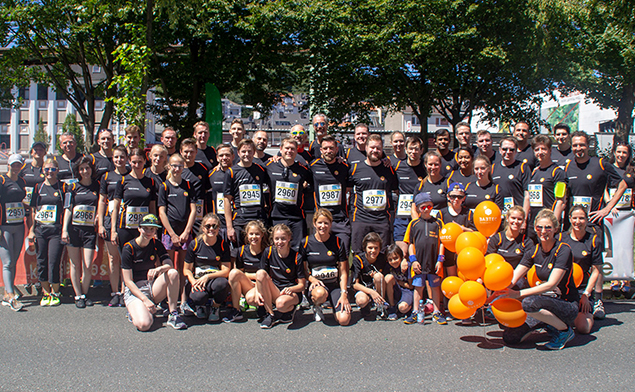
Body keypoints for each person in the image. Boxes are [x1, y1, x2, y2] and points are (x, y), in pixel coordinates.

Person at [494, 209, 578, 350]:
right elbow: (514, 277)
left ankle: (564, 331)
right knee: (510, 337)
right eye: (539, 227)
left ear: (555, 229)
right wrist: (496, 293)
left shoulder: (564, 250)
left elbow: (551, 284)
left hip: (566, 305)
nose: (543, 231)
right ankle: (549, 324)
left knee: (529, 303)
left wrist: (518, 294)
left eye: (548, 227)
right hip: (543, 304)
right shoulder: (533, 250)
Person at [121, 214, 187, 331]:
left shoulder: (156, 244)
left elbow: (169, 265)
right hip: (135, 291)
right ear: (139, 228)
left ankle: (173, 314)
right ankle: (136, 311)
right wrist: (145, 300)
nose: (148, 232)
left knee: (173, 273)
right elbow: (128, 281)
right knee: (144, 325)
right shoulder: (129, 248)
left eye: (152, 229)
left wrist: (158, 269)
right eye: (145, 228)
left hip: (151, 287)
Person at [158, 153, 197, 309]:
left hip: (184, 233)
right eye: (174, 165)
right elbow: (161, 212)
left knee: (183, 269)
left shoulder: (188, 185)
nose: (177, 169)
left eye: (180, 166)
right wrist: (172, 234)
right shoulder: (164, 186)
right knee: (167, 268)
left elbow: (193, 210)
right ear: (169, 167)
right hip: (169, 234)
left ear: (184, 167)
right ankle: (166, 299)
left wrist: (186, 232)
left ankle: (183, 300)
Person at [348, 134, 399, 253]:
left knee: (382, 255)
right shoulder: (355, 168)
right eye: (372, 147)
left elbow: (397, 190)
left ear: (382, 150)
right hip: (361, 219)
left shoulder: (389, 169)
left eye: (378, 148)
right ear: (366, 148)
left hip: (382, 221)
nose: (375, 151)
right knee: (358, 254)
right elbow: (347, 191)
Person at [300, 209, 351, 325]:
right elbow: (302, 270)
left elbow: (343, 272)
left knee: (344, 320)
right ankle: (317, 306)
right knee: (319, 294)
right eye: (320, 223)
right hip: (317, 287)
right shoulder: (306, 242)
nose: (323, 226)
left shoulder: (338, 242)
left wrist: (344, 293)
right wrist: (312, 279)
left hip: (334, 286)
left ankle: (334, 305)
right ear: (314, 223)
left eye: (326, 223)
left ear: (331, 224)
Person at [61, 156, 100, 308]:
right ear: (78, 171)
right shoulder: (72, 187)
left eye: (87, 168)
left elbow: (101, 205)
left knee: (88, 264)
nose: (85, 171)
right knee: (75, 264)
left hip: (89, 231)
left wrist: (98, 216)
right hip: (74, 230)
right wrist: (64, 230)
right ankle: (78, 296)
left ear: (92, 169)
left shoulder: (97, 186)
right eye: (82, 169)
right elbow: (68, 209)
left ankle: (85, 293)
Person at [403, 192, 446, 325]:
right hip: (418, 262)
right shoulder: (414, 224)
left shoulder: (438, 223)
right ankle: (415, 312)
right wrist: (413, 260)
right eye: (423, 207)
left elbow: (443, 242)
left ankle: (437, 312)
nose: (426, 209)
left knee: (435, 286)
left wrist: (440, 260)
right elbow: (410, 243)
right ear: (418, 209)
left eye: (429, 206)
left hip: (434, 261)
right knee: (418, 287)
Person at [559, 205, 602, 334]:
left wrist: (586, 294)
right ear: (569, 218)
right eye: (575, 218)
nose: (578, 222)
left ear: (587, 220)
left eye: (582, 218)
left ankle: (580, 313)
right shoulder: (561, 238)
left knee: (584, 328)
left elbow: (596, 270)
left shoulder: (594, 240)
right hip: (563, 288)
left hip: (581, 290)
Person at [28, 158, 65, 306]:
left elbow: (67, 209)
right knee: (41, 261)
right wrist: (32, 229)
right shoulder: (38, 187)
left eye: (53, 169)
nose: (50, 172)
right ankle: (45, 293)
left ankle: (55, 291)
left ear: (57, 170)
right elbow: (33, 210)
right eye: (47, 169)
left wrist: (64, 230)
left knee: (54, 261)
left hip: (56, 230)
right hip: (40, 230)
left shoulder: (62, 187)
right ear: (43, 170)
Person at [256, 224, 306, 328]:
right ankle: (270, 314)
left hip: (292, 292)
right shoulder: (268, 252)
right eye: (277, 239)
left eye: (283, 239)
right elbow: (261, 277)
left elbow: (302, 285)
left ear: (289, 238)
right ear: (272, 239)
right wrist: (257, 291)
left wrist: (291, 288)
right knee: (260, 274)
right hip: (275, 289)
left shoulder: (297, 257)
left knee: (280, 304)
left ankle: (290, 309)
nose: (280, 242)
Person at [265, 138, 312, 250]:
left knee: (298, 250)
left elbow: (314, 183)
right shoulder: (269, 166)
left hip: (296, 218)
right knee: (277, 249)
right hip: (276, 216)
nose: (289, 151)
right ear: (280, 149)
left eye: (292, 149)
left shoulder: (303, 169)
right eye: (287, 148)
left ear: (296, 151)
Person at [182, 213, 230, 322]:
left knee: (222, 284)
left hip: (214, 279)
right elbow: (186, 269)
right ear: (203, 228)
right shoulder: (195, 244)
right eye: (208, 226)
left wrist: (208, 277)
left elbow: (226, 270)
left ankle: (215, 307)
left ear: (218, 228)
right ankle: (200, 306)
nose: (211, 229)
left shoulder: (223, 245)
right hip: (198, 280)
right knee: (198, 296)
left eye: (215, 226)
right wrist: (193, 281)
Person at [97, 145, 129, 307]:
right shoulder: (107, 176)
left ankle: (125, 291)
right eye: (116, 157)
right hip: (110, 222)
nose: (119, 160)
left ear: (127, 158)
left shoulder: (131, 175)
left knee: (126, 258)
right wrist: (101, 223)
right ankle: (115, 291)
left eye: (122, 157)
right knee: (112, 258)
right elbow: (102, 201)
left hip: (127, 223)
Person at [309, 135, 352, 254]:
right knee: (322, 256)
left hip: (340, 220)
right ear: (321, 150)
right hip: (321, 220)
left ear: (337, 149)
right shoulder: (313, 166)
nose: (328, 151)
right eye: (325, 148)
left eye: (331, 148)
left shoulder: (345, 167)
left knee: (343, 256)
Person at [111, 148, 157, 251]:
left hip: (144, 228)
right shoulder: (123, 181)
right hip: (125, 228)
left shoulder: (151, 182)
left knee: (142, 259)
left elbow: (152, 207)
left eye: (140, 162)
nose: (137, 165)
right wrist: (113, 230)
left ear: (145, 161)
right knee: (126, 259)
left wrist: (154, 229)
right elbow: (116, 207)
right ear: (129, 162)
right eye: (134, 162)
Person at [223, 220, 269, 323]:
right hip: (249, 284)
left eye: (257, 234)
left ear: (262, 235)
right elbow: (240, 273)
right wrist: (254, 276)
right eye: (251, 234)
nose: (254, 237)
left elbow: (270, 275)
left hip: (264, 285)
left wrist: (258, 280)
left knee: (252, 298)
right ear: (247, 235)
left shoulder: (267, 251)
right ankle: (236, 310)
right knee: (233, 273)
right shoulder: (241, 251)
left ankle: (264, 309)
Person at [0, 154, 28, 311]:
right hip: (4, 226)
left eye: (18, 165)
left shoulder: (22, 181)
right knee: (7, 262)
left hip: (19, 226)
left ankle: (6, 292)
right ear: (8, 165)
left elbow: (23, 201)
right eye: (13, 165)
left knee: (14, 260)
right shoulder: (2, 181)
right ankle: (11, 295)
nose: (16, 167)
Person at [607, 139, 634, 296]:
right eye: (619, 152)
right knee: (613, 247)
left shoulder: (632, 170)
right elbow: (603, 188)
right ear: (614, 153)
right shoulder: (608, 168)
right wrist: (610, 205)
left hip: (628, 214)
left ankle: (626, 280)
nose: (621, 155)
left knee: (626, 246)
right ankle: (614, 280)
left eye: (624, 152)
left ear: (628, 155)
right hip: (612, 212)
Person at [527, 135, 566, 241]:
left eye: (543, 149)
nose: (540, 152)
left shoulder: (557, 173)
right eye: (537, 149)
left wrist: (553, 225)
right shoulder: (534, 172)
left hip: (547, 226)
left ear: (550, 150)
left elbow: (560, 201)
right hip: (534, 224)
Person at [393, 136, 426, 255]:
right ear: (406, 150)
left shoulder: (426, 168)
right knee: (402, 251)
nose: (413, 152)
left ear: (421, 151)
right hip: (402, 215)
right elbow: (395, 188)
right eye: (411, 149)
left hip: (420, 214)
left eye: (416, 149)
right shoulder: (397, 166)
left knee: (418, 250)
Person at [437, 182, 474, 277]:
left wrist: (462, 229)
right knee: (450, 277)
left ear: (464, 198)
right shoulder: (442, 213)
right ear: (448, 197)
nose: (456, 199)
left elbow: (475, 233)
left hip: (464, 252)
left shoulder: (468, 213)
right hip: (447, 252)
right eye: (453, 196)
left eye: (460, 197)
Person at [350, 232, 389, 320]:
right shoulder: (358, 259)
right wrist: (371, 292)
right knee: (361, 300)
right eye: (370, 248)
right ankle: (366, 306)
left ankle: (380, 306)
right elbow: (355, 284)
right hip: (365, 289)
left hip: (379, 288)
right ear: (365, 248)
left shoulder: (382, 258)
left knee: (378, 276)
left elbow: (387, 278)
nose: (373, 251)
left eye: (376, 248)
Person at [492, 137, 530, 221]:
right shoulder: (493, 168)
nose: (508, 152)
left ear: (516, 151)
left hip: (516, 216)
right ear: (500, 150)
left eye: (511, 149)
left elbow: (527, 195)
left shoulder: (523, 167)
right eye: (505, 149)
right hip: (498, 215)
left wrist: (524, 219)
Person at [181, 138, 209, 234]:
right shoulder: (176, 170)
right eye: (186, 152)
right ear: (181, 152)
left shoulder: (203, 169)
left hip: (198, 213)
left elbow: (207, 188)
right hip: (182, 213)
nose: (189, 155)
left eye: (192, 152)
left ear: (196, 152)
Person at [412, 151, 447, 217]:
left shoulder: (447, 183)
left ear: (440, 165)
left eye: (436, 164)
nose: (433, 167)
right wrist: (417, 224)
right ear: (425, 164)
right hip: (424, 224)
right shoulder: (420, 185)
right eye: (430, 164)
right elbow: (413, 209)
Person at [207, 144, 233, 231]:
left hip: (236, 220)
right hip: (219, 223)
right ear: (217, 158)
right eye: (221, 155)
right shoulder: (212, 174)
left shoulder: (238, 172)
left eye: (227, 155)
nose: (224, 158)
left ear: (233, 156)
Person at [384, 244, 414, 321]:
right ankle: (392, 307)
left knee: (402, 308)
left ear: (401, 257)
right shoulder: (388, 266)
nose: (393, 261)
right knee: (388, 277)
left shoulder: (407, 266)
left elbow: (411, 286)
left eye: (396, 258)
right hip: (396, 290)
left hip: (407, 291)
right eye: (390, 259)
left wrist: (399, 282)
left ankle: (409, 308)